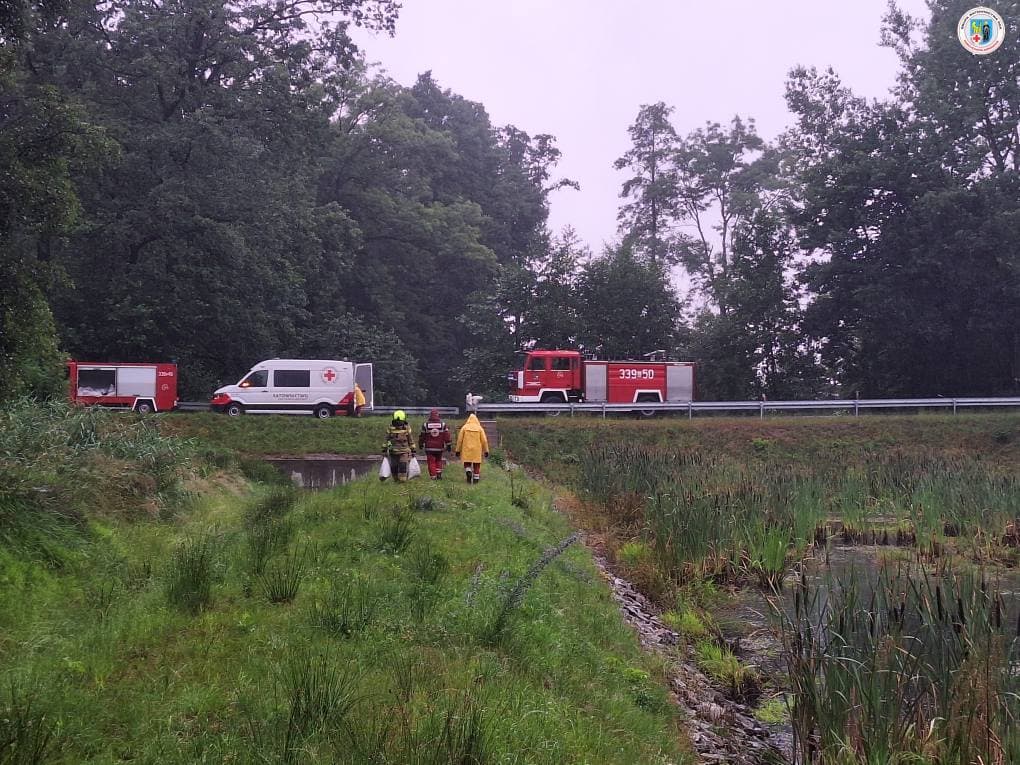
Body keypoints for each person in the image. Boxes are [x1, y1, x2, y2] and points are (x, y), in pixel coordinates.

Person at [455, 413, 489, 484]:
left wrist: (458, 450)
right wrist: (486, 451)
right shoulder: (480, 428)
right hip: (477, 450)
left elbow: (459, 440)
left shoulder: (464, 427)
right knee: (477, 465)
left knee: (467, 463)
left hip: (466, 449)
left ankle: (468, 471)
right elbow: (484, 441)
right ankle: (476, 480)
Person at [383, 410, 416, 482]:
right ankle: (398, 480)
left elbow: (387, 439)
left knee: (401, 465)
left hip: (401, 452)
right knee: (396, 466)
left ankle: (402, 480)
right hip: (396, 451)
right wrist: (413, 449)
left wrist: (385, 449)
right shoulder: (392, 428)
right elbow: (410, 439)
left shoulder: (403, 428)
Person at [419, 408, 452, 479]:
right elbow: (447, 435)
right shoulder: (443, 424)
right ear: (438, 415)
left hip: (429, 448)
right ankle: (438, 473)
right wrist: (448, 444)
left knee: (431, 462)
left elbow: (422, 436)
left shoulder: (425, 425)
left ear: (430, 415)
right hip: (439, 447)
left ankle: (433, 476)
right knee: (438, 460)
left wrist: (420, 443)